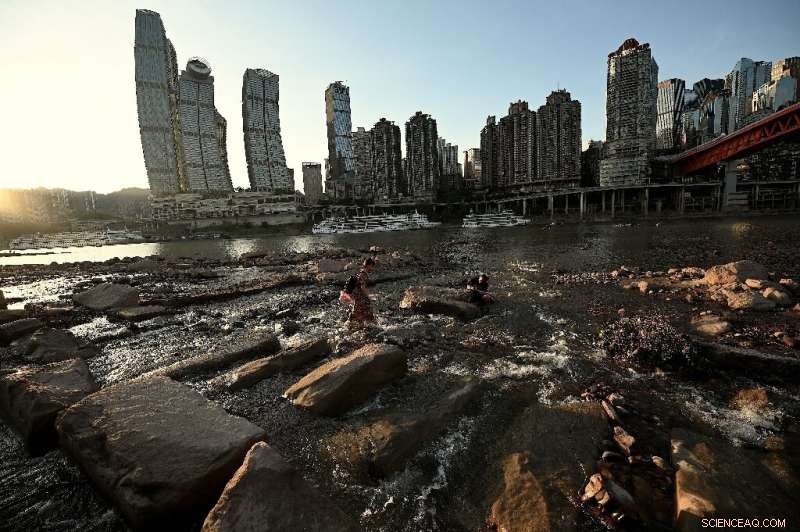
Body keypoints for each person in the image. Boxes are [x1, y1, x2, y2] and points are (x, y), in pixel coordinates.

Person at [342, 257, 376, 326]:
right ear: (369, 265)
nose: (372, 269)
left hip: (359, 298)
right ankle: (347, 325)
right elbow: (362, 287)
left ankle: (368, 325)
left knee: (361, 313)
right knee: (361, 313)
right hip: (361, 299)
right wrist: (369, 296)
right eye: (372, 266)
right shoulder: (363, 275)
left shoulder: (360, 273)